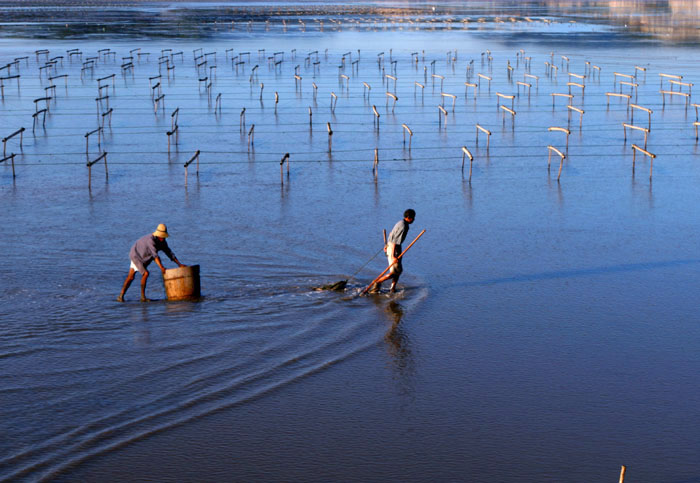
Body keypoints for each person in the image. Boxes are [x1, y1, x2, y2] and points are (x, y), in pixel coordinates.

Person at [117, 224, 185, 302]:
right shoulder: (151, 240)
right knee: (145, 274)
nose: (163, 239)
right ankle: (142, 297)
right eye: (162, 237)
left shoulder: (163, 242)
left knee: (131, 276)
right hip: (136, 255)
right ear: (158, 235)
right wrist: (161, 267)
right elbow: (155, 256)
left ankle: (121, 296)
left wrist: (179, 264)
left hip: (146, 257)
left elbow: (169, 253)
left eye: (164, 237)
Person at [371, 209, 415, 293]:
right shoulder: (403, 226)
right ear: (409, 217)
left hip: (394, 246)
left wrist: (387, 245)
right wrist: (393, 256)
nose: (414, 220)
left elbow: (391, 233)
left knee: (398, 270)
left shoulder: (400, 222)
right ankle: (378, 282)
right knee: (394, 272)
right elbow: (395, 240)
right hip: (394, 248)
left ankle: (393, 288)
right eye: (413, 218)